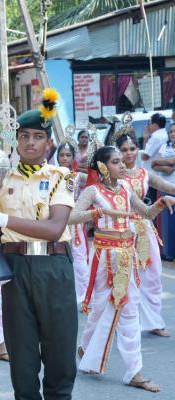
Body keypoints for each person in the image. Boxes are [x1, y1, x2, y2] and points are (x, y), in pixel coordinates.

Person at [0, 88, 78, 400]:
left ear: (49, 142)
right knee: (22, 350)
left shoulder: (63, 176)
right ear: (16, 141)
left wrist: (3, 220)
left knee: (59, 347)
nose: (31, 143)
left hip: (54, 266)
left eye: (38, 137)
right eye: (25, 136)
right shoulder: (2, 179)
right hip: (15, 267)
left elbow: (55, 228)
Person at [70, 145, 175, 391]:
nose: (124, 164)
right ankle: (86, 348)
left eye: (123, 160)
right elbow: (71, 217)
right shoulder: (93, 191)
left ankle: (134, 372)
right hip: (106, 258)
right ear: (104, 167)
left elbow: (147, 213)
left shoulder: (126, 187)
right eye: (117, 161)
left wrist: (161, 201)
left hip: (128, 257)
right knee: (99, 309)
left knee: (129, 312)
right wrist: (100, 211)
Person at [118, 132, 175, 336]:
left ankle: (154, 322)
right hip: (121, 230)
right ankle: (122, 322)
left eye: (132, 149)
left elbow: (166, 186)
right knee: (123, 277)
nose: (129, 153)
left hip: (144, 227)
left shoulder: (144, 173)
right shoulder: (114, 176)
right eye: (124, 150)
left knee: (152, 275)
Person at [57, 141, 89, 304]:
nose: (64, 158)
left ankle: (83, 296)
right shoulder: (51, 175)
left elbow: (96, 183)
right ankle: (63, 294)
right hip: (56, 221)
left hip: (74, 222)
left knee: (79, 257)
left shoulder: (78, 176)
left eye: (68, 155)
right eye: (61, 155)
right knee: (58, 257)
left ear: (73, 157)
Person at [152, 122, 175, 261]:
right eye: (171, 131)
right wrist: (168, 165)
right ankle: (167, 252)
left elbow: (161, 162)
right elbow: (154, 163)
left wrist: (163, 163)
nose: (173, 134)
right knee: (165, 223)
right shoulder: (164, 146)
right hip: (164, 188)